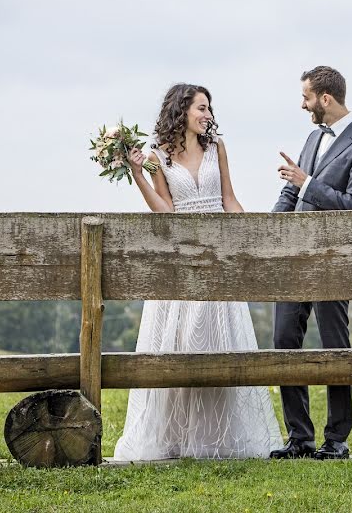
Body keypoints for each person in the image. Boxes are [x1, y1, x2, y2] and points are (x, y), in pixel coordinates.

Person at [112, 83, 283, 460]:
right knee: (181, 341)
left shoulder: (217, 147)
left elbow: (230, 199)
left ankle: (218, 440)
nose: (207, 114)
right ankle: (175, 439)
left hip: (218, 255)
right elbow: (165, 210)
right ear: (182, 110)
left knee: (220, 342)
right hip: (182, 257)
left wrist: (251, 238)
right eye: (201, 108)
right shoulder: (159, 156)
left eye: (209, 108)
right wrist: (138, 174)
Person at [270, 66, 352, 460]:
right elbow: (291, 192)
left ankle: (336, 439)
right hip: (293, 262)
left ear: (326, 99)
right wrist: (266, 230)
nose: (303, 105)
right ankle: (299, 437)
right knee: (284, 342)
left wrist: (306, 183)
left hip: (335, 263)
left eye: (306, 98)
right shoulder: (313, 136)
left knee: (336, 348)